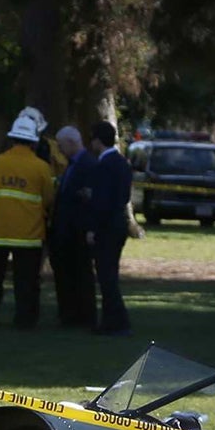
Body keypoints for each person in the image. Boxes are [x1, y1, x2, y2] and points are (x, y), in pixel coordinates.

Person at [0, 109, 56, 329]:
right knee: (26, 283)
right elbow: (48, 198)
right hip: (28, 235)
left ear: (12, 138)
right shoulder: (41, 167)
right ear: (33, 141)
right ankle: (25, 321)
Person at [84, 121, 134, 336]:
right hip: (119, 223)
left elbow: (102, 202)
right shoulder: (122, 163)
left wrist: (93, 228)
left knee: (106, 276)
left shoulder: (104, 166)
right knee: (109, 273)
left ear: (97, 140)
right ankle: (112, 321)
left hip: (107, 226)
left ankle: (117, 321)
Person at [48, 126, 96, 326]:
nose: (59, 150)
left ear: (71, 142)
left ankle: (83, 315)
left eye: (61, 146)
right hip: (64, 230)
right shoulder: (72, 165)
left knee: (81, 274)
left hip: (78, 230)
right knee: (65, 273)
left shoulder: (88, 165)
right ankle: (68, 314)